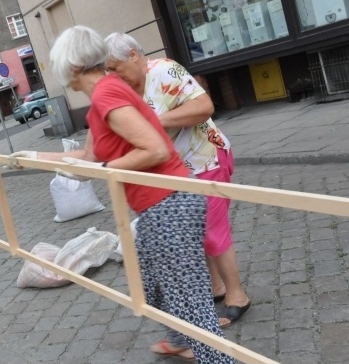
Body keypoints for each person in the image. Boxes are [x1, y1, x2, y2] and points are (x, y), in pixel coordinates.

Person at [9, 25, 251, 364]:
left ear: (70, 67)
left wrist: (108, 168)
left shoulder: (106, 93)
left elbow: (154, 149)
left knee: (191, 303)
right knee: (149, 279)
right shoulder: (101, 99)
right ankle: (181, 341)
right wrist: (32, 158)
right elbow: (87, 160)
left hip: (169, 203)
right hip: (156, 207)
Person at [103, 33, 250, 327]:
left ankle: (238, 296)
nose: (112, 75)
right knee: (197, 231)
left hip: (206, 157)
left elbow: (204, 107)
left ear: (133, 54)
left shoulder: (163, 71)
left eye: (114, 67)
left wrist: (157, 121)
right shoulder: (130, 89)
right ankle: (216, 288)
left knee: (213, 230)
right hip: (179, 170)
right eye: (107, 70)